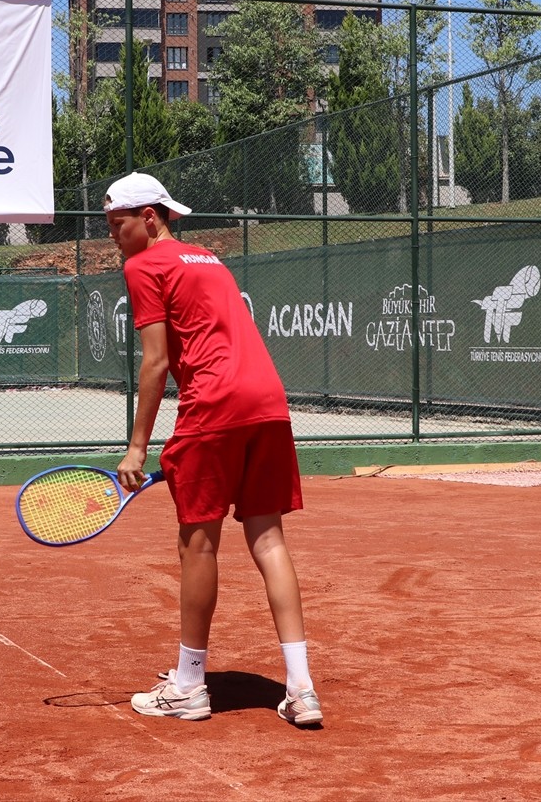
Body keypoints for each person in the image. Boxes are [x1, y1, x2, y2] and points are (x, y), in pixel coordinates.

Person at [104, 171, 322, 725]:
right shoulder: (207, 258)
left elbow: (155, 363)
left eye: (118, 224)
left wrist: (137, 449)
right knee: (268, 539)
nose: (113, 235)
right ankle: (302, 689)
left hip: (214, 404)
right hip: (268, 402)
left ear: (149, 218)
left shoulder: (142, 265)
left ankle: (190, 686)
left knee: (197, 545)